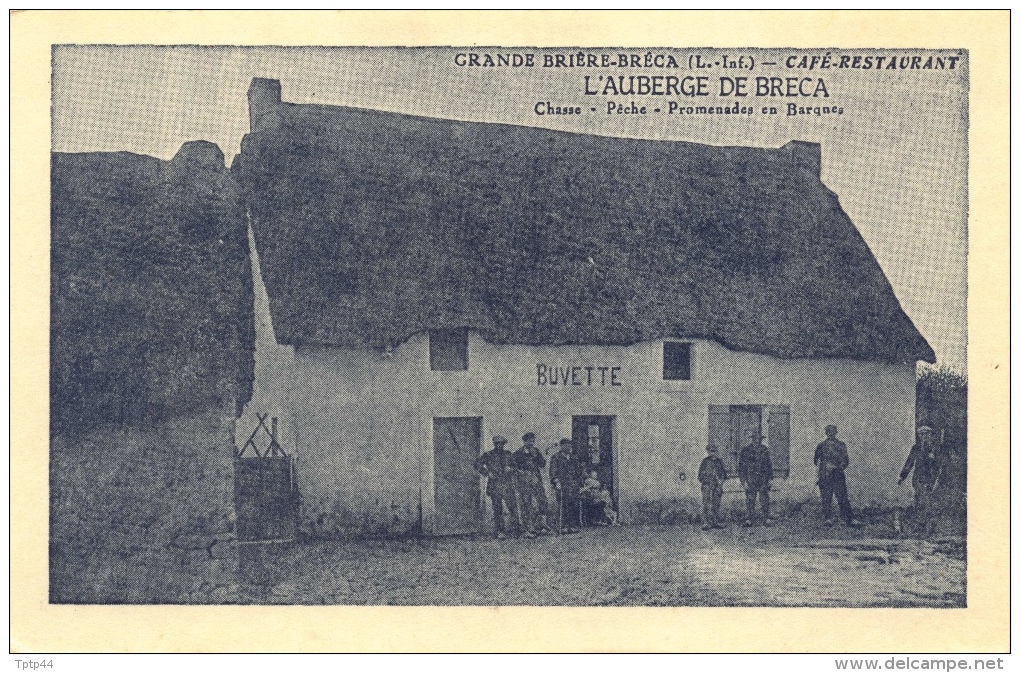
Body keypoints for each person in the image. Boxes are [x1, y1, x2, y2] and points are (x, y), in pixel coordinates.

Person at [473, 436, 526, 539]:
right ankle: (500, 531)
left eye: (501, 444)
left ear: (504, 444)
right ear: (494, 444)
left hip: (507, 484)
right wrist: (487, 473)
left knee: (513, 507)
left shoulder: (508, 454)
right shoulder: (488, 455)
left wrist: (511, 468)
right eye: (497, 444)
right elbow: (477, 464)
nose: (499, 445)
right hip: (494, 485)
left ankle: (517, 530)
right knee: (497, 509)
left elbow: (516, 466)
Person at [814, 425, 862, 527]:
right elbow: (816, 460)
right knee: (826, 497)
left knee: (842, 497)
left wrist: (837, 467)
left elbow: (846, 460)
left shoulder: (841, 445)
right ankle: (828, 519)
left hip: (838, 475)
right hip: (825, 475)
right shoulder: (821, 445)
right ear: (826, 433)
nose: (831, 434)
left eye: (833, 432)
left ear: (836, 433)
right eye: (829, 432)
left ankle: (848, 518)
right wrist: (822, 470)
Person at [899, 425, 942, 537]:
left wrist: (936, 479)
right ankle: (920, 526)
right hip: (918, 478)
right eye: (921, 435)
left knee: (927, 501)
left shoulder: (934, 448)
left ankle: (928, 528)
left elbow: (938, 465)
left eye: (926, 434)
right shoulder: (916, 448)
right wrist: (902, 476)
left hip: (929, 478)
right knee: (919, 500)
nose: (923, 437)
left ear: (930, 435)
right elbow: (910, 462)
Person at [514, 432, 551, 535]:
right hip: (524, 482)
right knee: (527, 503)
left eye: (533, 441)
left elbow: (542, 464)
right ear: (525, 441)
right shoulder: (518, 453)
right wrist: (521, 473)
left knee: (542, 499)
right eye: (530, 441)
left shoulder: (536, 451)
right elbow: (514, 467)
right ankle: (529, 528)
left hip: (536, 480)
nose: (532, 443)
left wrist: (539, 456)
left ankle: (543, 524)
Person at [738, 432, 773, 527]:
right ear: (752, 439)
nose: (757, 441)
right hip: (750, 478)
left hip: (763, 478)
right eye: (755, 439)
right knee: (750, 499)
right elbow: (741, 467)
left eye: (759, 439)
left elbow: (769, 465)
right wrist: (743, 481)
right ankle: (749, 519)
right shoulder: (746, 451)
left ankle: (766, 519)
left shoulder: (764, 450)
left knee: (764, 499)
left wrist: (770, 479)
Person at [549, 438, 583, 533]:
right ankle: (563, 526)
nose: (569, 447)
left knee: (574, 505)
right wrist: (556, 481)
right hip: (562, 485)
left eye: (570, 445)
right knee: (564, 505)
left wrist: (579, 483)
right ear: (562, 446)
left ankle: (573, 526)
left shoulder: (574, 458)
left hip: (573, 485)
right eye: (567, 445)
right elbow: (553, 471)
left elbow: (579, 471)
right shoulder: (556, 457)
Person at [697, 445, 727, 530]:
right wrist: (706, 480)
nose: (712, 453)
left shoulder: (719, 462)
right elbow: (700, 476)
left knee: (716, 504)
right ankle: (706, 522)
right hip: (707, 486)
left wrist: (720, 481)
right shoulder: (705, 462)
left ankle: (715, 521)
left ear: (716, 451)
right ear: (708, 452)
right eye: (711, 451)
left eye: (714, 451)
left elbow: (724, 475)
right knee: (706, 503)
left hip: (717, 486)